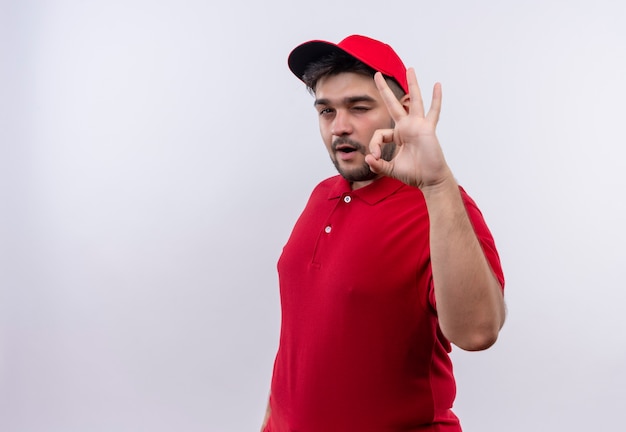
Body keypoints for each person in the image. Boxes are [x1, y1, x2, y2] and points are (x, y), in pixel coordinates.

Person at [261, 34, 506, 432]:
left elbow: (478, 332)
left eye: (358, 108)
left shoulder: (440, 206)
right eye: (326, 111)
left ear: (403, 109)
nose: (339, 127)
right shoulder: (321, 195)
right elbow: (298, 345)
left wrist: (438, 185)